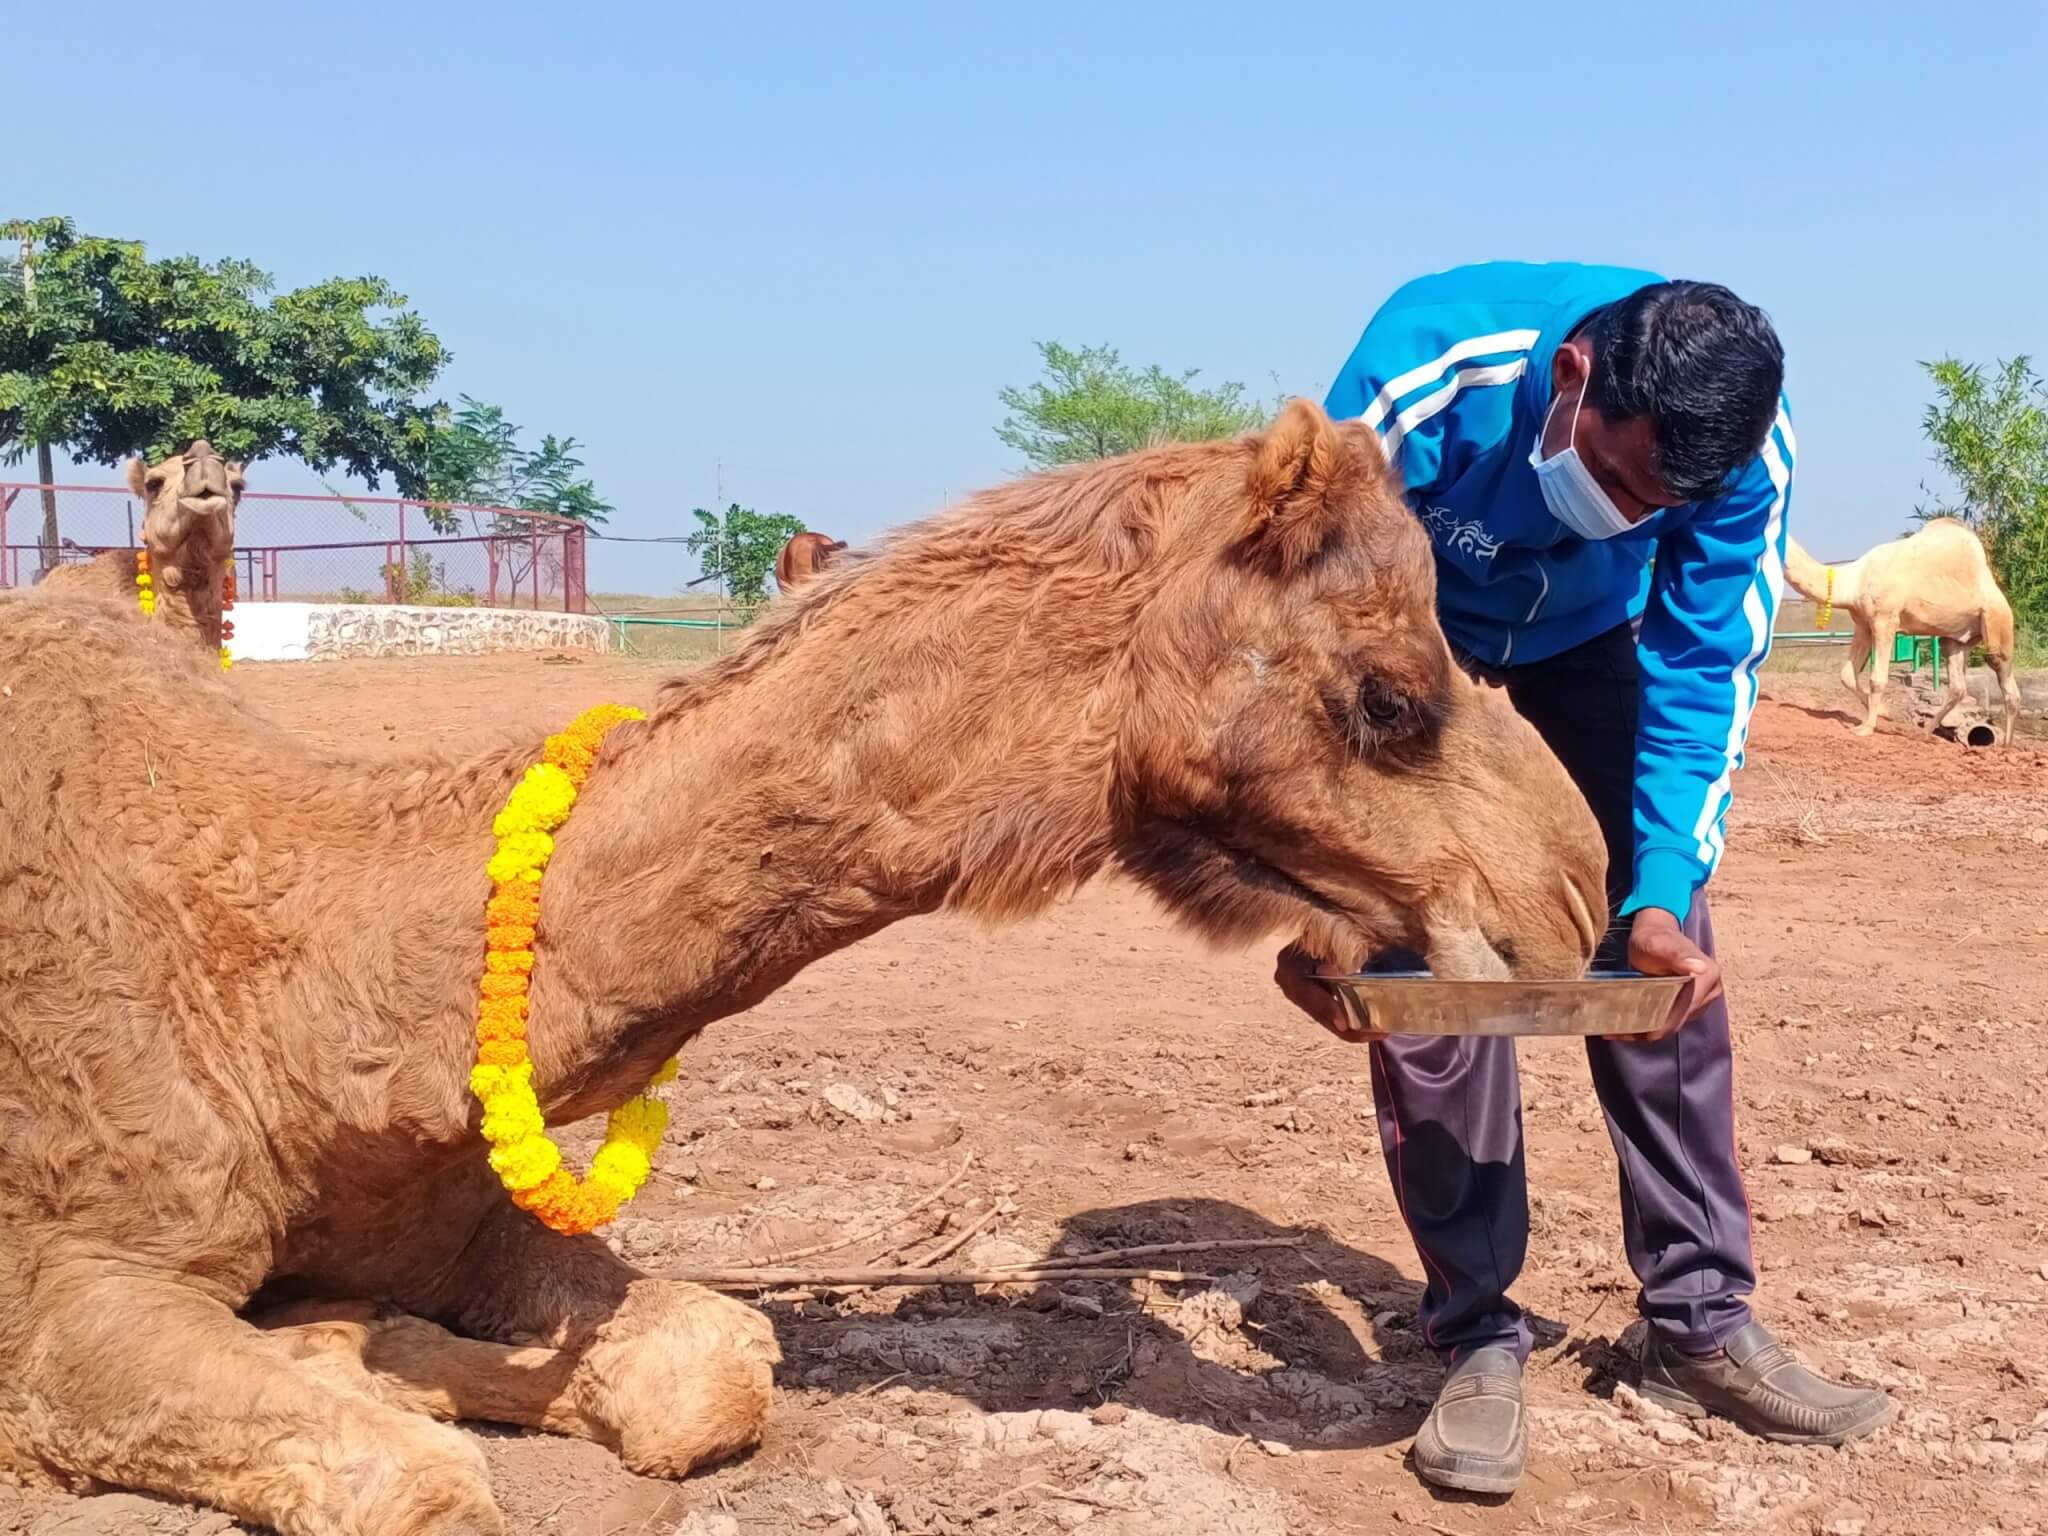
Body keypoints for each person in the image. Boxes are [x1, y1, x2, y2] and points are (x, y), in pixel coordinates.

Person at [1276, 262, 1893, 1495]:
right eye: (1614, 477)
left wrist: (1656, 887)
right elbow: (1299, 614)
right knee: (1430, 959)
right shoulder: (1421, 372)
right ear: (1570, 380)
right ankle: (1474, 1337)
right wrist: (1325, 882)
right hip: (1406, 635)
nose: (1619, 512)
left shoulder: (1737, 460)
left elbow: (1700, 671)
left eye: (1656, 504)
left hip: (1586, 647)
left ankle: (1695, 1324)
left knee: (1661, 960)